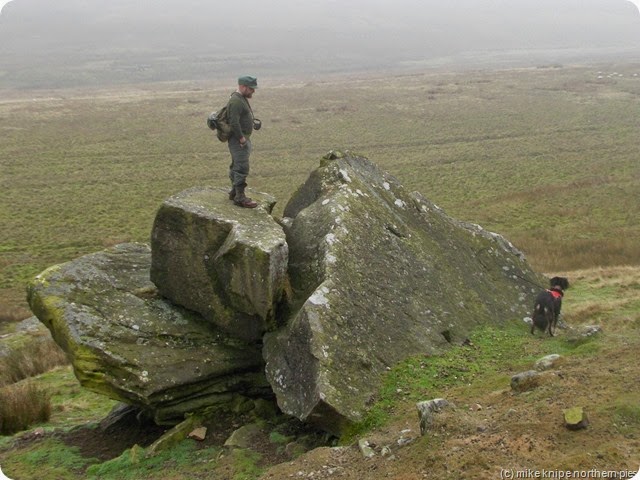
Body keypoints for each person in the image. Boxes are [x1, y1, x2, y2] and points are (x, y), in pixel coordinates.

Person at [227, 75, 261, 208]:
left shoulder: (240, 99)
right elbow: (234, 122)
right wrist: (241, 138)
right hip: (238, 141)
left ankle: (234, 192)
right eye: (251, 89)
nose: (253, 91)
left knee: (237, 165)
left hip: (240, 139)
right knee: (242, 167)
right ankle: (240, 198)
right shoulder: (236, 101)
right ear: (243, 87)